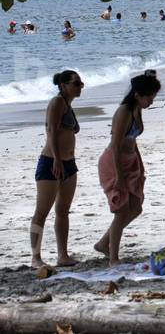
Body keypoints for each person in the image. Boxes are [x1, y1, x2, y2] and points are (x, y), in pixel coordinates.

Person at [96, 70, 160, 266]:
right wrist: (120, 177)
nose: (151, 102)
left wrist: (139, 163)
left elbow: (133, 140)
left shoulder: (137, 109)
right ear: (137, 95)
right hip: (114, 162)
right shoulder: (124, 111)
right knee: (122, 210)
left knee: (136, 208)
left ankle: (103, 243)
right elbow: (115, 145)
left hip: (130, 161)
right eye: (149, 98)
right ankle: (113, 258)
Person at [30, 70, 84, 268]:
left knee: (63, 211)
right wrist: (57, 160)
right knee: (42, 211)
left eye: (81, 83)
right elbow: (51, 131)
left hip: (69, 164)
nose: (80, 87)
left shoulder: (68, 105)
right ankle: (36, 257)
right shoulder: (57, 102)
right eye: (76, 83)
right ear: (63, 85)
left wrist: (64, 161)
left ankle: (63, 255)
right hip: (51, 162)